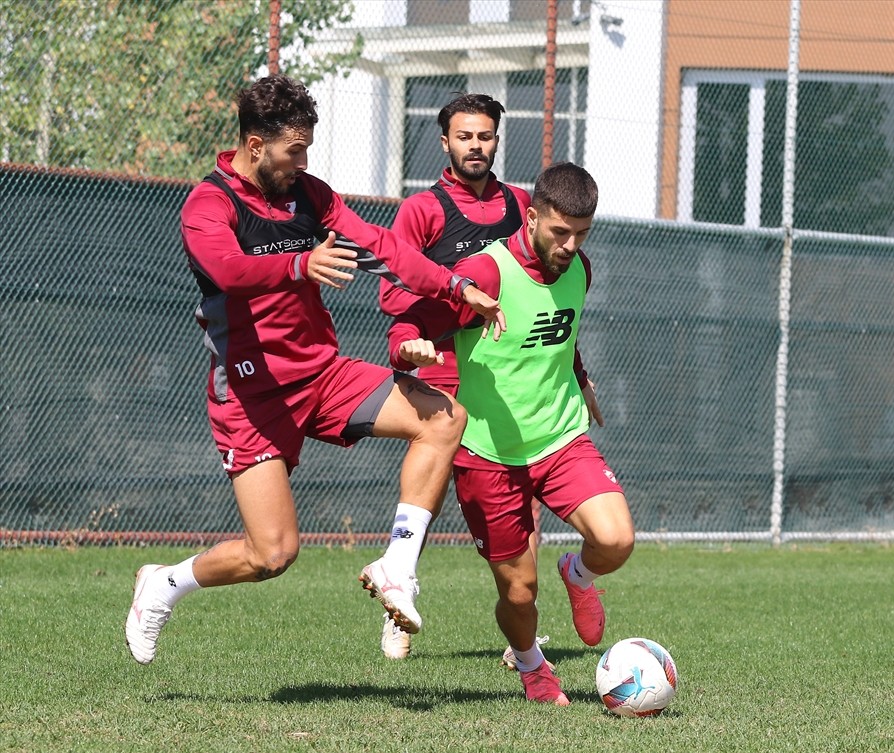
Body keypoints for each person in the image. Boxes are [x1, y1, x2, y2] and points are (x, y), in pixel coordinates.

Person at [124, 74, 504, 665]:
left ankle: (397, 567)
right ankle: (164, 584)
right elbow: (226, 270)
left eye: (307, 148)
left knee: (442, 418)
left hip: (321, 375)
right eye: (293, 149)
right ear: (256, 146)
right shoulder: (209, 204)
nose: (303, 160)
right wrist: (301, 264)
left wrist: (457, 286)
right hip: (251, 395)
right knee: (271, 555)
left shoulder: (310, 193)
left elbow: (384, 248)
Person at [390, 162, 635, 705]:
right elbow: (414, 316)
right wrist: (408, 344)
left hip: (560, 436)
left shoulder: (581, 271)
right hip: (488, 454)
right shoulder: (487, 271)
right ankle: (532, 667)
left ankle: (578, 572)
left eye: (582, 234)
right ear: (531, 218)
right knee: (520, 592)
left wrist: (580, 376)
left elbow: (557, 329)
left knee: (615, 540)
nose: (571, 245)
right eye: (560, 232)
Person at [376, 92, 542, 663]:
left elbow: (546, 287)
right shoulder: (422, 209)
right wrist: (414, 339)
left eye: (486, 136)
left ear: (498, 139)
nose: (477, 145)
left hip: (503, 367)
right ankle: (400, 592)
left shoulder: (523, 205)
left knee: (522, 484)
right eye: (465, 136)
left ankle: (524, 621)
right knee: (434, 486)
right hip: (441, 361)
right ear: (445, 142)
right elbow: (392, 291)